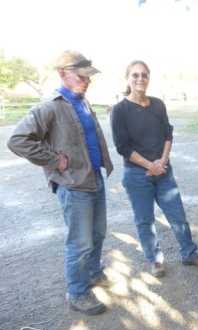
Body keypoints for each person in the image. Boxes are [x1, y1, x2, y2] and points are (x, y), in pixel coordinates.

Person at [7, 51, 114, 315]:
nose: (87, 81)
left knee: (98, 234)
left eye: (89, 77)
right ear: (62, 73)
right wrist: (54, 160)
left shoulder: (82, 101)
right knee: (80, 243)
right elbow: (17, 140)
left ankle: (92, 273)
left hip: (94, 179)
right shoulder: (50, 106)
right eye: (81, 76)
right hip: (73, 185)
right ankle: (77, 293)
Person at [111, 60, 198, 278]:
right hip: (137, 174)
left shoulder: (158, 104)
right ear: (128, 78)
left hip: (163, 171)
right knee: (145, 220)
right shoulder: (119, 110)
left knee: (177, 215)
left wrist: (162, 162)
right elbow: (123, 147)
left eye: (144, 75)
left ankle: (189, 253)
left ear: (149, 78)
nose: (140, 79)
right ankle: (155, 259)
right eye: (135, 75)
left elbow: (168, 134)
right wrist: (150, 166)